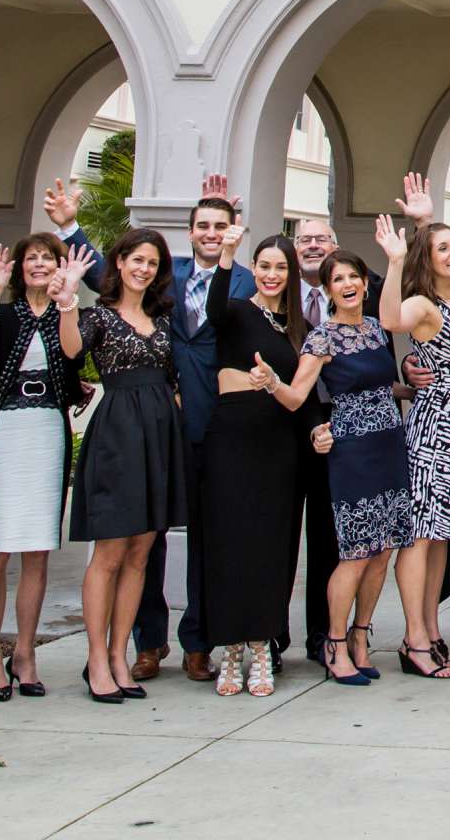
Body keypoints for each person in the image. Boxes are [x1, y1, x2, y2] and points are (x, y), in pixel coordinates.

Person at [44, 173, 251, 684]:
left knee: (207, 539)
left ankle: (199, 643)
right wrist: (70, 227)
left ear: (231, 231)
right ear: (190, 231)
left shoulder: (245, 279)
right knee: (144, 541)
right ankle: (146, 643)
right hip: (147, 427)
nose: (210, 232)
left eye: (219, 225)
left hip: (215, 426)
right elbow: (106, 282)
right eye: (202, 225)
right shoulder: (163, 278)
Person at [261, 248, 413, 686]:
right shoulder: (322, 338)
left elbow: (380, 385)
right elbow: (295, 398)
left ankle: (361, 637)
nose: (347, 285)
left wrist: (415, 387)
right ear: (327, 290)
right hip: (353, 453)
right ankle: (334, 642)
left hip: (390, 444)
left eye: (354, 276)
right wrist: (272, 381)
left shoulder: (375, 329)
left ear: (365, 282)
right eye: (337, 279)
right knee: (355, 554)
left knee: (382, 552)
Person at [62, 227, 189, 703]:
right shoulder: (98, 316)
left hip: (159, 435)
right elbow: (72, 351)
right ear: (118, 263)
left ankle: (120, 653)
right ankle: (96, 657)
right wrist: (69, 298)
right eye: (137, 259)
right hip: (117, 434)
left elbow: (176, 374)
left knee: (141, 552)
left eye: (152, 263)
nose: (143, 268)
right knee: (110, 553)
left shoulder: (163, 318)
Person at [0, 231, 89, 702]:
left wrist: (68, 300)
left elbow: (75, 352)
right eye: (31, 258)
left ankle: (25, 652)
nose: (39, 264)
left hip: (48, 431)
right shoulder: (7, 310)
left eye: (48, 258)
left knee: (37, 547)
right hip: (8, 430)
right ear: (19, 268)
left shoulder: (65, 308)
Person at [199, 225, 317, 698]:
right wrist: (227, 253)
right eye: (263, 266)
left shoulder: (298, 329)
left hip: (278, 443)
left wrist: (316, 428)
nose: (271, 275)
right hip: (231, 438)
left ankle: (263, 645)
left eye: (279, 267)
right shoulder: (233, 312)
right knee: (230, 544)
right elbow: (209, 309)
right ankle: (230, 647)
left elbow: (305, 396)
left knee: (272, 547)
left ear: (291, 275)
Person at [370, 214, 450, 680]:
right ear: (427, 258)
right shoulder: (422, 303)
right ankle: (413, 637)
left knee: (443, 535)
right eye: (443, 247)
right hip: (435, 431)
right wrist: (396, 261)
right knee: (420, 537)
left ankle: (433, 630)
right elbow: (388, 319)